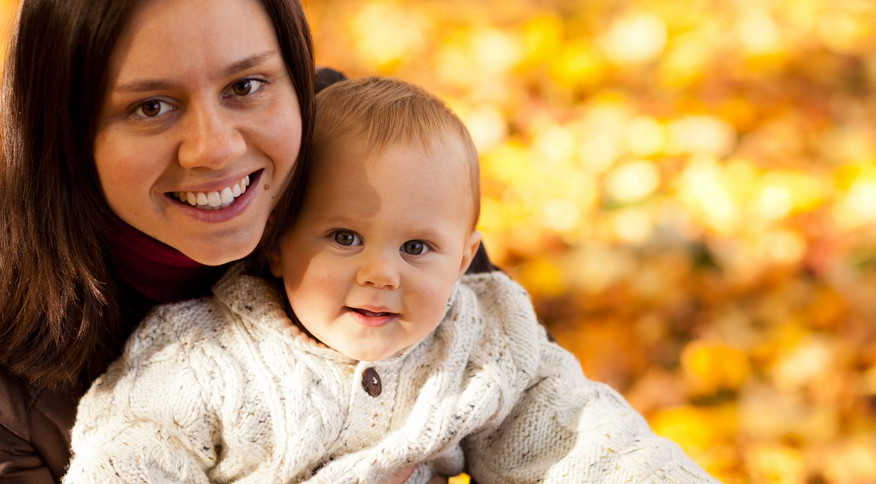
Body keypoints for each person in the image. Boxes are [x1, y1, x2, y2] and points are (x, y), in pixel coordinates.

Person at [64, 77, 720, 483]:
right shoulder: (203, 358)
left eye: (416, 248)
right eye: (344, 238)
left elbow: (583, 440)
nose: (381, 273)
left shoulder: (480, 343)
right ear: (278, 243)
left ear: (463, 261)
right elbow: (129, 457)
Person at [0, 0, 318, 481]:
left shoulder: (386, 169)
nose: (215, 149)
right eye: (151, 107)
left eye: (245, 86)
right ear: (64, 130)